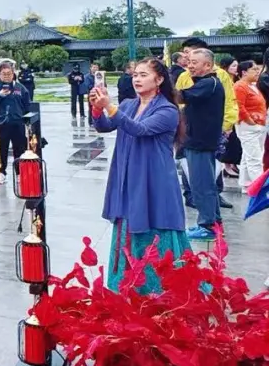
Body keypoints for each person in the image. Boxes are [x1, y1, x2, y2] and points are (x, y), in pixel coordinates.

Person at [89, 60, 191, 292]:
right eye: (135, 74)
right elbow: (105, 126)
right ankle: (123, 286)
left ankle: (157, 289)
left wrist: (109, 106)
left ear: (159, 80)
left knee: (154, 221)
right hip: (128, 174)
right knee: (127, 220)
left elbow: (139, 129)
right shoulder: (129, 104)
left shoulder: (168, 110)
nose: (137, 79)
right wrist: (97, 108)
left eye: (143, 75)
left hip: (154, 178)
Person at [177, 48, 225, 240]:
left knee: (201, 186)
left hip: (200, 142)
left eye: (194, 62)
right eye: (189, 62)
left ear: (208, 65)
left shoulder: (208, 83)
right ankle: (215, 223)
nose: (190, 65)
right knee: (207, 185)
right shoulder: (206, 84)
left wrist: (160, 88)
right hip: (200, 141)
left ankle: (207, 226)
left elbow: (182, 96)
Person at [0, 64, 31, 182]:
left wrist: (27, 120)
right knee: (2, 149)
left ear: (13, 73)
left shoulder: (20, 88)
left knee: (19, 148)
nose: (6, 76)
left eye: (9, 74)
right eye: (4, 74)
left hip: (18, 123)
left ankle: (19, 173)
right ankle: (2, 172)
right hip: (2, 123)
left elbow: (27, 105)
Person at [234, 60, 266, 189]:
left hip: (258, 125)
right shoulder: (240, 86)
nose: (257, 72)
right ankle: (259, 188)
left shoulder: (252, 85)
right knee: (255, 158)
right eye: (254, 69)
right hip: (248, 126)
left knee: (248, 156)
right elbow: (239, 106)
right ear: (244, 72)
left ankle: (246, 184)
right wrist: (249, 121)